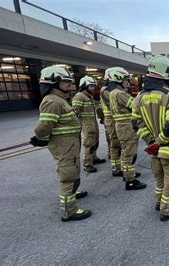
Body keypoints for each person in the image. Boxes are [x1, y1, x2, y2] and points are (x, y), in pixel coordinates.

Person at [29, 65, 91, 222]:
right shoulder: (52, 101)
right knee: (67, 175)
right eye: (65, 82)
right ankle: (69, 211)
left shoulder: (60, 100)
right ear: (53, 83)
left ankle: (72, 193)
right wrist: (41, 139)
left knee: (73, 170)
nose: (69, 85)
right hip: (64, 146)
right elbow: (42, 127)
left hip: (69, 145)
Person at [132, 55, 169, 221]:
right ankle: (166, 209)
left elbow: (135, 123)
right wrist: (160, 141)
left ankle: (158, 202)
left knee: (159, 179)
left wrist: (151, 141)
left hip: (154, 149)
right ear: (165, 73)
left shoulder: (139, 96)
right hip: (168, 148)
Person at [108, 67, 145, 190]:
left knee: (125, 151)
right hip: (127, 126)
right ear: (119, 80)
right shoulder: (121, 94)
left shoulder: (113, 93)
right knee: (129, 154)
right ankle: (130, 181)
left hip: (121, 125)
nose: (127, 83)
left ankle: (127, 173)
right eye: (125, 80)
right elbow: (135, 106)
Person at [72, 76, 106, 173]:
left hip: (92, 123)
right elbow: (75, 112)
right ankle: (87, 164)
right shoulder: (79, 96)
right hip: (87, 124)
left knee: (95, 141)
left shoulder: (88, 96)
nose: (93, 88)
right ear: (84, 86)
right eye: (91, 86)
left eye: (94, 86)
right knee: (88, 144)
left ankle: (94, 158)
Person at [100, 71, 123, 177]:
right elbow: (116, 103)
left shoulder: (108, 90)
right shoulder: (107, 91)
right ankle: (117, 168)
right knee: (115, 144)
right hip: (111, 119)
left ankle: (118, 166)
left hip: (112, 119)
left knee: (117, 144)